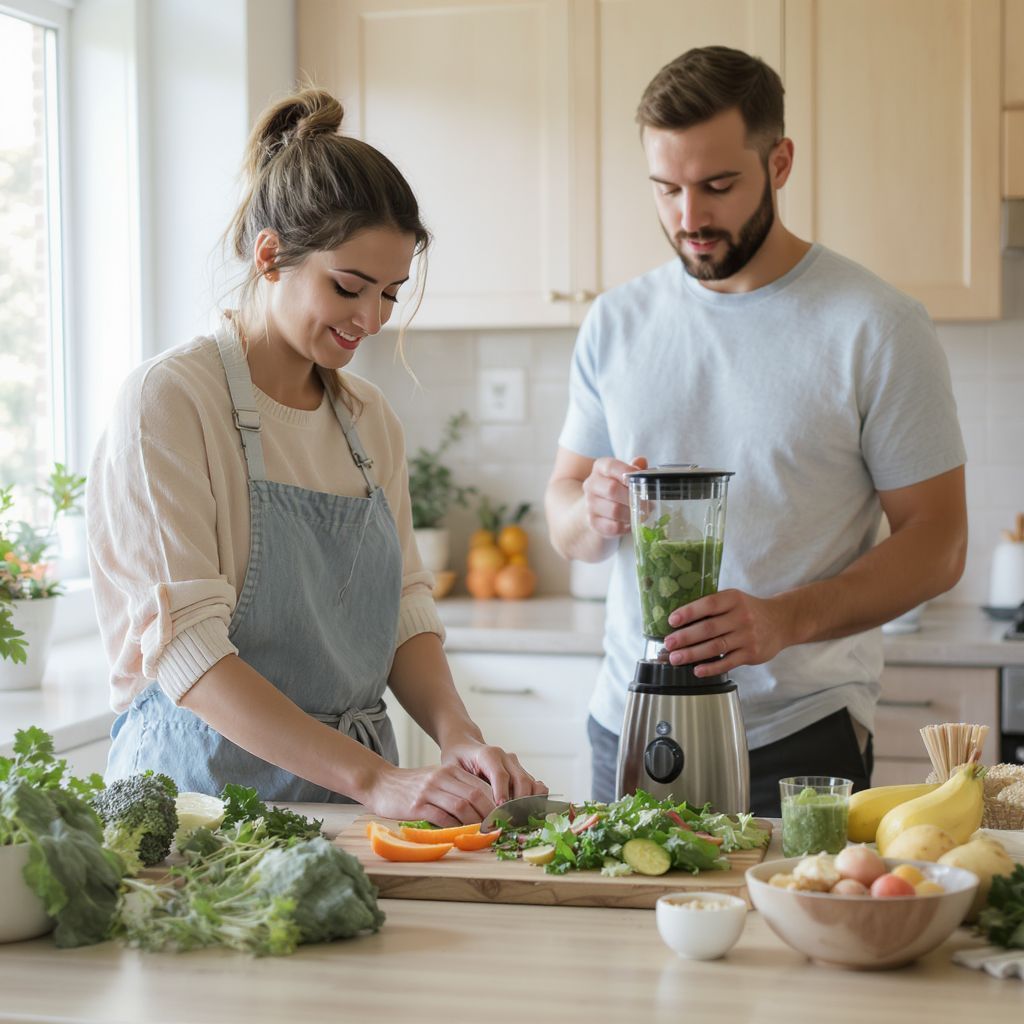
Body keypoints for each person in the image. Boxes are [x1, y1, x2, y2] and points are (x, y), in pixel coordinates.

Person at [87, 87, 544, 825]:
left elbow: (402, 609)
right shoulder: (169, 402)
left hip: (351, 802)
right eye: (349, 287)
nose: (371, 319)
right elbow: (189, 654)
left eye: (391, 293)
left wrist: (457, 735)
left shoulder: (370, 422)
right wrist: (376, 780)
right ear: (271, 256)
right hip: (197, 811)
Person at [544, 46, 967, 816]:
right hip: (631, 723)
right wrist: (590, 510)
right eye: (666, 189)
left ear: (780, 162)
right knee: (619, 941)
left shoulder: (876, 326)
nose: (689, 218)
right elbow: (565, 512)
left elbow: (939, 543)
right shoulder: (615, 321)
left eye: (718, 186)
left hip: (797, 739)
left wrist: (784, 620)